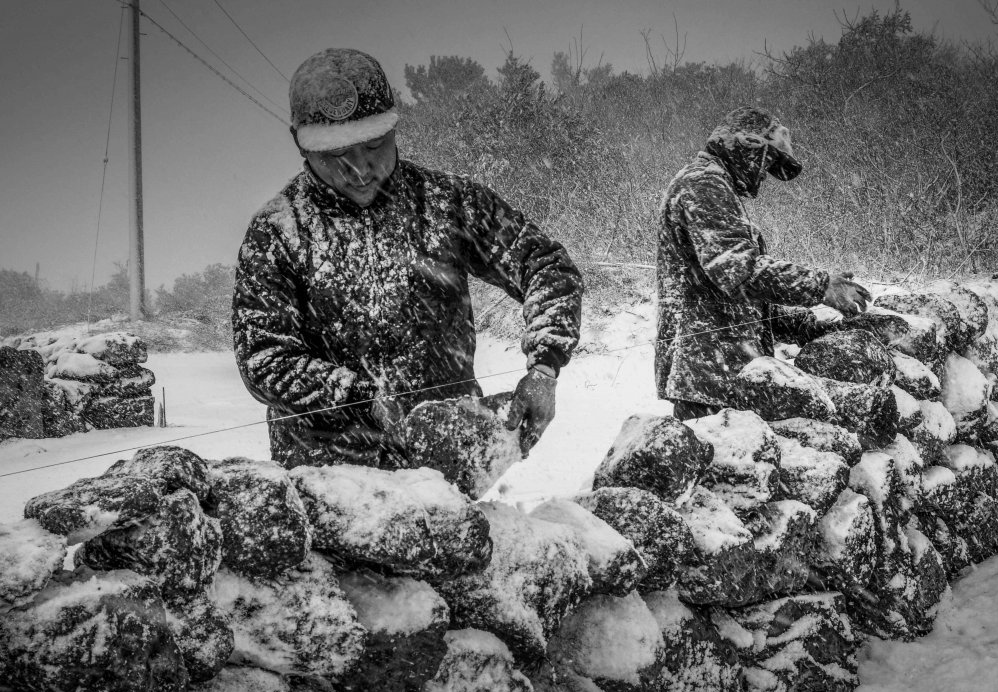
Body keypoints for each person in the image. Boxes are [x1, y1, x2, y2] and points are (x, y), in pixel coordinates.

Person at [233, 48, 582, 469]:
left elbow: (545, 264)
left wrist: (544, 369)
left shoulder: (448, 203)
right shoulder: (277, 232)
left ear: (394, 128)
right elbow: (263, 356)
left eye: (374, 146)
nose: (360, 171)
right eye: (334, 156)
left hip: (448, 466)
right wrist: (360, 398)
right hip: (330, 480)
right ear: (301, 146)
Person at [655, 106, 870, 420]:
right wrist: (821, 285)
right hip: (710, 376)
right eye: (767, 161)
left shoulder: (715, 185)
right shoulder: (703, 185)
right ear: (748, 147)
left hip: (722, 372)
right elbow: (741, 273)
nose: (765, 173)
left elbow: (742, 299)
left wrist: (806, 324)